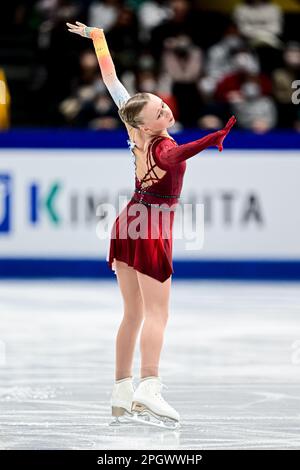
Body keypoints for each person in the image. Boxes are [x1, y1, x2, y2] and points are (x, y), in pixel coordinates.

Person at [67, 21, 236, 429]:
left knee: (132, 314)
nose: (166, 109)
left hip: (127, 221)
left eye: (162, 103)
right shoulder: (164, 144)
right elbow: (177, 159)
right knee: (157, 314)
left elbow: (111, 80)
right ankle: (150, 385)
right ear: (147, 123)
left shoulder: (133, 125)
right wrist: (211, 138)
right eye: (159, 111)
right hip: (151, 226)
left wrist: (99, 38)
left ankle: (121, 391)